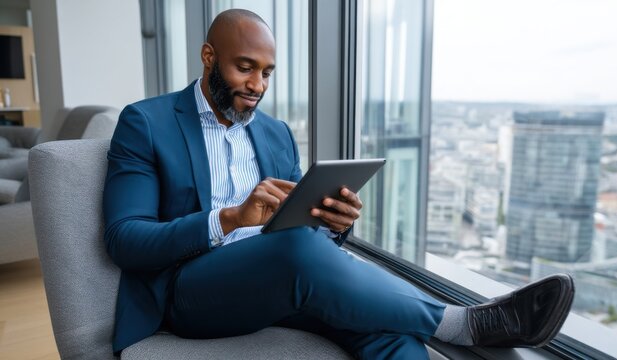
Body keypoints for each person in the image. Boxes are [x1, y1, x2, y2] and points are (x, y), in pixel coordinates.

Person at [103, 8, 575, 359]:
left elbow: (296, 229)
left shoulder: (275, 133)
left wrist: (331, 223)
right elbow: (125, 240)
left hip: (280, 281)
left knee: (391, 333)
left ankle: (443, 324)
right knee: (294, 252)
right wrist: (231, 218)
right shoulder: (147, 123)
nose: (257, 85)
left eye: (266, 73)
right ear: (209, 57)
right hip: (191, 293)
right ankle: (464, 323)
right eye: (244, 67)